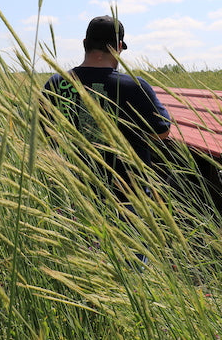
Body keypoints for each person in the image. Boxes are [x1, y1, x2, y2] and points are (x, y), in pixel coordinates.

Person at [43, 15, 171, 205]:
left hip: (71, 198)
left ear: (85, 43)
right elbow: (162, 132)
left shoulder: (55, 83)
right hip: (128, 200)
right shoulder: (135, 86)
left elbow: (43, 133)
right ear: (119, 47)